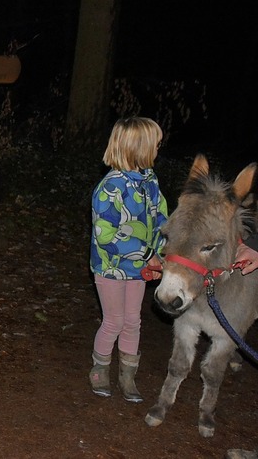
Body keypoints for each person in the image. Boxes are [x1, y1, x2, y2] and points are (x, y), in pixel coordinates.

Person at [88, 117, 167, 402]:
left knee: (133, 320)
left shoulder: (150, 182)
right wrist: (147, 255)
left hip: (140, 267)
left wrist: (160, 252)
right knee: (114, 320)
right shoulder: (110, 188)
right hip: (111, 267)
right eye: (156, 144)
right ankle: (100, 369)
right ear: (139, 147)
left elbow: (161, 219)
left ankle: (128, 376)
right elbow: (107, 235)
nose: (159, 149)